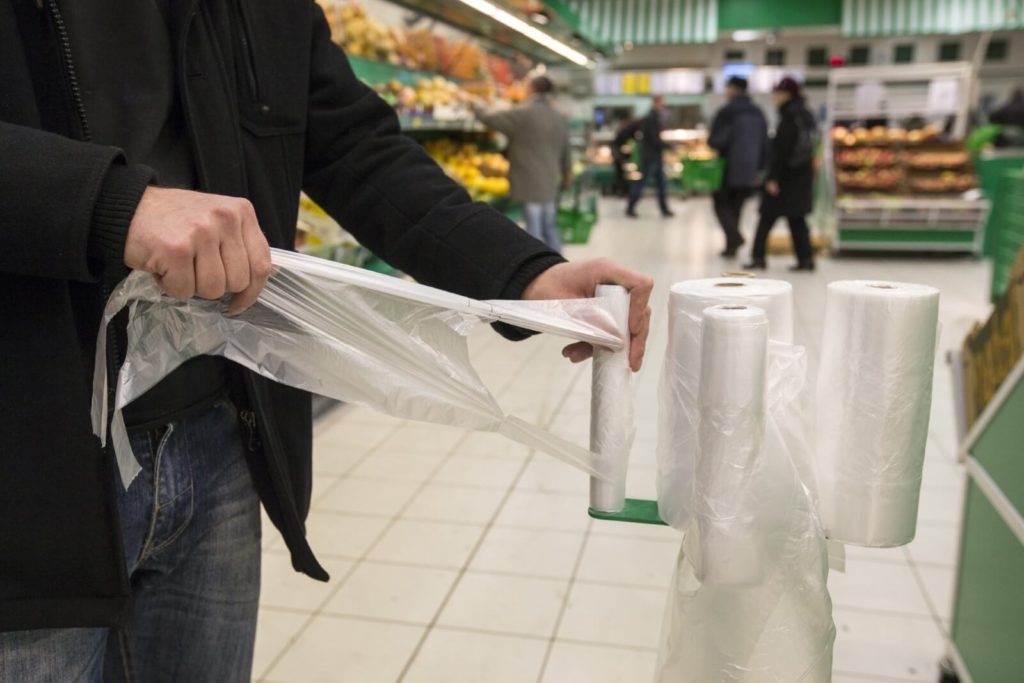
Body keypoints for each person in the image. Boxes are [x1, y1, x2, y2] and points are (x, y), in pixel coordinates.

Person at [0, 3, 654, 681]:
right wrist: (108, 202)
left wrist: (525, 272)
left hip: (219, 431)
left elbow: (352, 145)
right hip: (29, 469)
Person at [476, 76, 571, 252]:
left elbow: (491, 119)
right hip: (550, 181)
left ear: (533, 89)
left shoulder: (524, 114)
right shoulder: (559, 116)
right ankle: (560, 265)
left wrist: (476, 105)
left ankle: (538, 271)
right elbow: (566, 150)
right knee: (550, 225)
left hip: (529, 181)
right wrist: (567, 173)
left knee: (533, 230)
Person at [744, 77, 818, 272]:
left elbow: (782, 152)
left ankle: (758, 258)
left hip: (786, 179)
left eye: (778, 92)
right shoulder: (805, 115)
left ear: (788, 94)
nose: (775, 96)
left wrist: (773, 178)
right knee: (797, 220)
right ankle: (806, 259)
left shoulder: (789, 117)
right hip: (801, 177)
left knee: (766, 217)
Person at [708, 76, 768, 257]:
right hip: (750, 169)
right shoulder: (758, 112)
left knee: (720, 203)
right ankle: (731, 247)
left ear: (734, 89)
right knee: (737, 206)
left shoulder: (727, 111)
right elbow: (765, 143)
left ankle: (734, 238)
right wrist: (760, 167)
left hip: (728, 167)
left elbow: (715, 140)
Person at [625, 95, 674, 218]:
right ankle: (630, 206)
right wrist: (668, 146)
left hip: (655, 156)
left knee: (661, 184)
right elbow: (654, 139)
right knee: (643, 183)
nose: (662, 106)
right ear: (656, 103)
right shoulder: (651, 119)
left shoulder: (654, 118)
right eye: (661, 103)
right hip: (650, 157)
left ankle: (664, 208)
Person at [611, 114, 636, 197]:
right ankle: (621, 191)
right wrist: (619, 157)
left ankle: (623, 191)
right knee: (621, 176)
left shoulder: (625, 132)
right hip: (620, 158)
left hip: (621, 158)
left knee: (623, 176)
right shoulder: (623, 133)